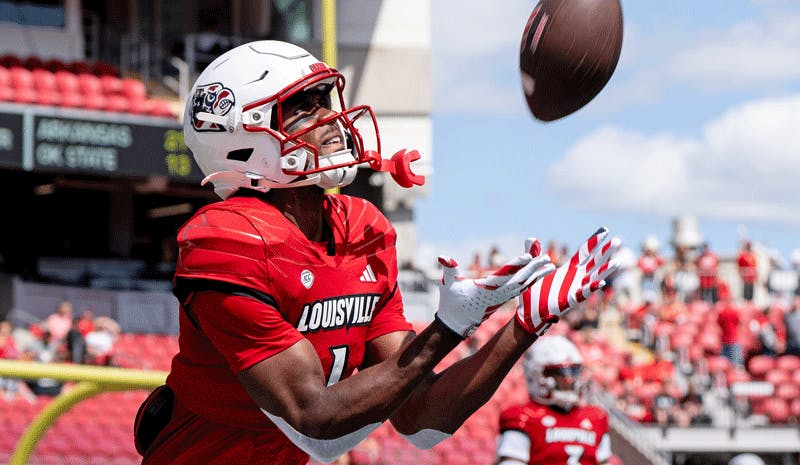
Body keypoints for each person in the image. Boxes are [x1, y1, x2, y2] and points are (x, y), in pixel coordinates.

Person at [133, 40, 620, 465]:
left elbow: (422, 419)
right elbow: (315, 420)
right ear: (242, 143)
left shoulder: (362, 228)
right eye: (303, 108)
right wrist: (449, 327)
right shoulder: (225, 240)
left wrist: (523, 325)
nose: (330, 119)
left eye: (324, 101)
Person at [495, 335, 612, 465]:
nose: (568, 380)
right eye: (558, 374)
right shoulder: (524, 418)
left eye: (573, 372)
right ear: (534, 375)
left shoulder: (595, 417)